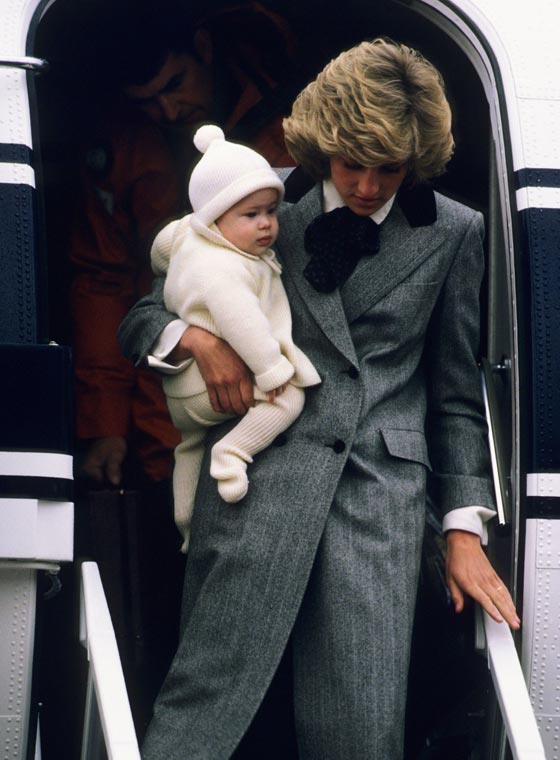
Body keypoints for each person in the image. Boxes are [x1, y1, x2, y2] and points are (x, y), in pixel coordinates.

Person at [118, 38, 520, 759]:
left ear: (417, 159)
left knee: (359, 730)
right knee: (208, 719)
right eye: (350, 164)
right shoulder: (254, 197)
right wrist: (195, 339)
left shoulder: (456, 230)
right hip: (253, 485)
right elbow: (141, 318)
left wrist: (463, 527)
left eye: (389, 168)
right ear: (320, 146)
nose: (366, 186)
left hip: (377, 505)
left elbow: (456, 393)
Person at [66, 0, 301, 488]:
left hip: (284, 389)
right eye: (147, 101)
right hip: (167, 395)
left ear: (203, 47)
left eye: (174, 84)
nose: (168, 111)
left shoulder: (291, 116)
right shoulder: (122, 147)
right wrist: (106, 424)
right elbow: (102, 284)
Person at [152, 124, 320, 551]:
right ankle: (233, 454)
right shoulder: (225, 266)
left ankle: (186, 523)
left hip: (182, 393)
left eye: (271, 211)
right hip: (210, 384)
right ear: (214, 217)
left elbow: (164, 246)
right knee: (289, 398)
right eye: (251, 215)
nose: (266, 225)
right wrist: (271, 368)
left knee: (189, 447)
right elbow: (240, 319)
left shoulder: (189, 238)